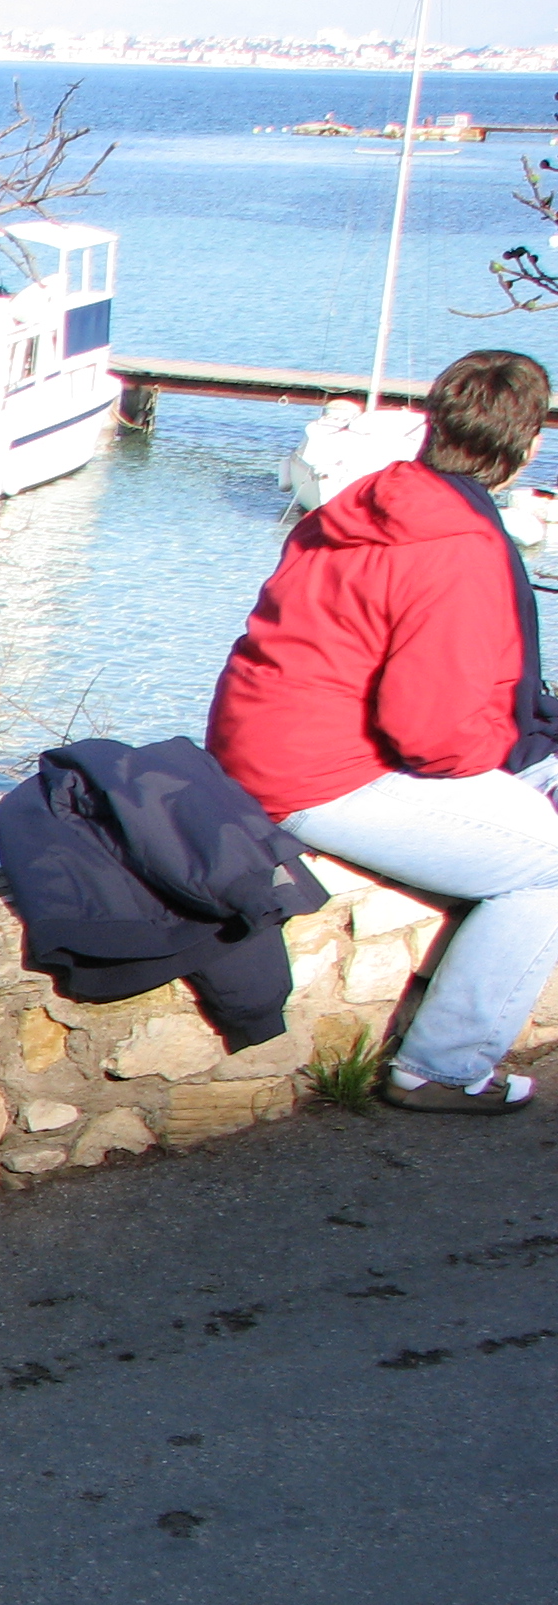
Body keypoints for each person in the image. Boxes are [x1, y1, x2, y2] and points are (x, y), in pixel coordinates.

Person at [205, 347, 557, 1112]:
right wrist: (510, 761)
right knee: (549, 863)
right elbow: (433, 733)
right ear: (529, 445)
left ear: (433, 425)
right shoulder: (459, 546)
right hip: (320, 775)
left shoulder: (366, 502)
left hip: (256, 744)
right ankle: (442, 1067)